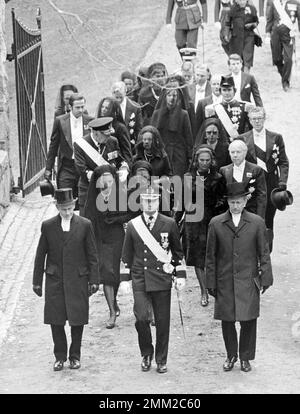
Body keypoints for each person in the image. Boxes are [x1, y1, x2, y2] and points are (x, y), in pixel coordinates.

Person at [206, 181, 273, 373]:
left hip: (248, 279)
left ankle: (245, 357)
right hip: (224, 280)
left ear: (245, 201)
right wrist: (211, 282)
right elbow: (210, 256)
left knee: (248, 320)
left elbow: (264, 252)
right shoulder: (216, 223)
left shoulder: (257, 223)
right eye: (232, 202)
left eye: (239, 202)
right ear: (228, 202)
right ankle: (231, 355)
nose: (235, 206)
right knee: (227, 320)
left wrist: (266, 278)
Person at [32, 188, 99, 371]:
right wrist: (37, 281)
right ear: (57, 207)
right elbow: (40, 255)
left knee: (77, 319)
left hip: (78, 279)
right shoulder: (48, 226)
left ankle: (75, 356)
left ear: (74, 205)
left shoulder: (85, 225)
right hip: (55, 280)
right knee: (56, 320)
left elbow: (92, 254)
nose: (67, 212)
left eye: (70, 208)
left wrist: (94, 279)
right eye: (63, 209)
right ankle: (60, 356)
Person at [122, 186, 187, 374]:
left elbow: (177, 252)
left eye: (153, 201)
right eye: (146, 201)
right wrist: (125, 280)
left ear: (158, 202)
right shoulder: (133, 225)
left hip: (161, 278)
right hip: (140, 278)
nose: (149, 204)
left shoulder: (169, 223)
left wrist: (180, 274)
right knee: (141, 318)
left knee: (162, 321)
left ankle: (161, 359)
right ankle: (146, 353)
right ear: (141, 203)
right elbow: (126, 255)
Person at [84, 165, 133, 329]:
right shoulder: (93, 196)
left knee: (115, 274)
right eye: (104, 179)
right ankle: (112, 311)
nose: (107, 183)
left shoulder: (121, 194)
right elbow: (86, 218)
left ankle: (114, 301)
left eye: (110, 179)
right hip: (99, 236)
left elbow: (131, 213)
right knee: (107, 272)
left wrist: (118, 220)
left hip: (117, 236)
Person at [177, 145, 226, 307]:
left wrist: (216, 211)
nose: (204, 163)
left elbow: (223, 199)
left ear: (212, 161)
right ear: (196, 161)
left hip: (212, 219)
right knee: (198, 258)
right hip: (193, 222)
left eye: (207, 160)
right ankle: (204, 291)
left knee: (213, 255)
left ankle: (215, 287)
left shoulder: (218, 178)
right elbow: (181, 202)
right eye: (201, 160)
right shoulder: (187, 177)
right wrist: (176, 223)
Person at [238, 106, 289, 251]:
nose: (257, 121)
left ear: (264, 118)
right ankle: (251, 252)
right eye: (254, 119)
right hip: (252, 186)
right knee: (251, 218)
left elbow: (283, 161)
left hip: (271, 185)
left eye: (260, 118)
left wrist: (282, 182)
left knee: (268, 219)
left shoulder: (276, 137)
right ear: (250, 120)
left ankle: (266, 253)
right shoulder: (243, 139)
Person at [45, 93, 93, 206]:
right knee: (64, 200)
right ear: (70, 107)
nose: (81, 110)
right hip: (67, 166)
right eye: (77, 107)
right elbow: (53, 146)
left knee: (84, 203)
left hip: (84, 167)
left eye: (82, 106)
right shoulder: (60, 121)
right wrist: (48, 168)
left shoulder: (90, 121)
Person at [74, 117, 129, 215]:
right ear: (96, 133)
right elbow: (81, 169)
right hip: (89, 190)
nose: (108, 137)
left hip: (109, 191)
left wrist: (124, 169)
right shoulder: (80, 144)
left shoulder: (112, 141)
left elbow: (119, 160)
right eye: (105, 135)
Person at [151, 86, 194, 178]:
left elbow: (188, 137)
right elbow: (153, 135)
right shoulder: (157, 114)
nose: (172, 98)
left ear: (178, 97)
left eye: (174, 95)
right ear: (164, 97)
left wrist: (190, 156)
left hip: (178, 154)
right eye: (169, 95)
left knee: (178, 180)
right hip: (162, 153)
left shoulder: (183, 114)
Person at [220, 139, 267, 218]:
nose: (235, 155)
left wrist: (260, 218)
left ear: (245, 153)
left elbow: (261, 196)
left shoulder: (256, 170)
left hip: (251, 213)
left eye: (238, 152)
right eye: (232, 152)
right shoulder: (224, 171)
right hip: (230, 214)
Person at [266, 0, 300, 91]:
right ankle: (284, 76)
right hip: (275, 33)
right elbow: (269, 18)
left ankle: (285, 82)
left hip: (289, 34)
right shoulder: (272, 2)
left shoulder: (295, 3)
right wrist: (267, 33)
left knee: (288, 59)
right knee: (277, 59)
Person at [205, 75, 252, 142]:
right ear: (220, 91)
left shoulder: (244, 107)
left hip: (239, 145)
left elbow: (250, 131)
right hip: (221, 146)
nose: (227, 93)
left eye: (229, 90)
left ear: (234, 91)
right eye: (224, 90)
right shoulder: (213, 109)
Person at [96, 97, 133, 167]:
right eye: (102, 107)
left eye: (107, 108)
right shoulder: (96, 125)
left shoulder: (120, 128)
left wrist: (127, 168)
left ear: (113, 111)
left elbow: (126, 151)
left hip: (116, 164)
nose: (103, 110)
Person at [224, 0, 259, 72]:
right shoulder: (232, 9)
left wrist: (252, 25)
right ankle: (239, 78)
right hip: (236, 38)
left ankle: (245, 79)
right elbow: (227, 23)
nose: (242, 2)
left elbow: (256, 21)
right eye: (239, 0)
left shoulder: (252, 8)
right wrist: (226, 34)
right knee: (237, 60)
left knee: (247, 61)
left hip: (249, 38)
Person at [111, 81, 143, 150]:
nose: (118, 99)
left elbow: (139, 129)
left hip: (131, 146)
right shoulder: (108, 107)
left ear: (125, 92)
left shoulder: (135, 107)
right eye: (116, 97)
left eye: (120, 96)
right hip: (114, 146)